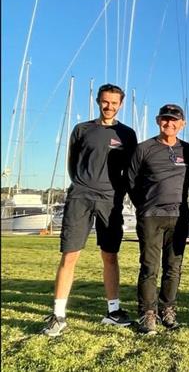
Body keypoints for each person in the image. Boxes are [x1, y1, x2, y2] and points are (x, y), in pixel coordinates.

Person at [42, 83, 138, 337]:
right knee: (70, 255)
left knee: (110, 255)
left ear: (120, 104)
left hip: (110, 200)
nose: (109, 106)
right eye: (105, 101)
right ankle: (58, 314)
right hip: (80, 197)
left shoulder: (127, 134)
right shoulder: (81, 129)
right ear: (98, 101)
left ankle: (113, 311)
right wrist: (83, 184)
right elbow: (73, 165)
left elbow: (130, 171)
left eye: (114, 103)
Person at [127, 104, 189, 335]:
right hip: (151, 217)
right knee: (149, 267)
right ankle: (147, 313)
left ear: (182, 124)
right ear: (157, 120)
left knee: (173, 267)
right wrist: (144, 205)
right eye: (165, 119)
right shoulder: (144, 148)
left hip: (179, 217)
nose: (169, 123)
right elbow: (131, 181)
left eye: (175, 120)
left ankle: (168, 310)